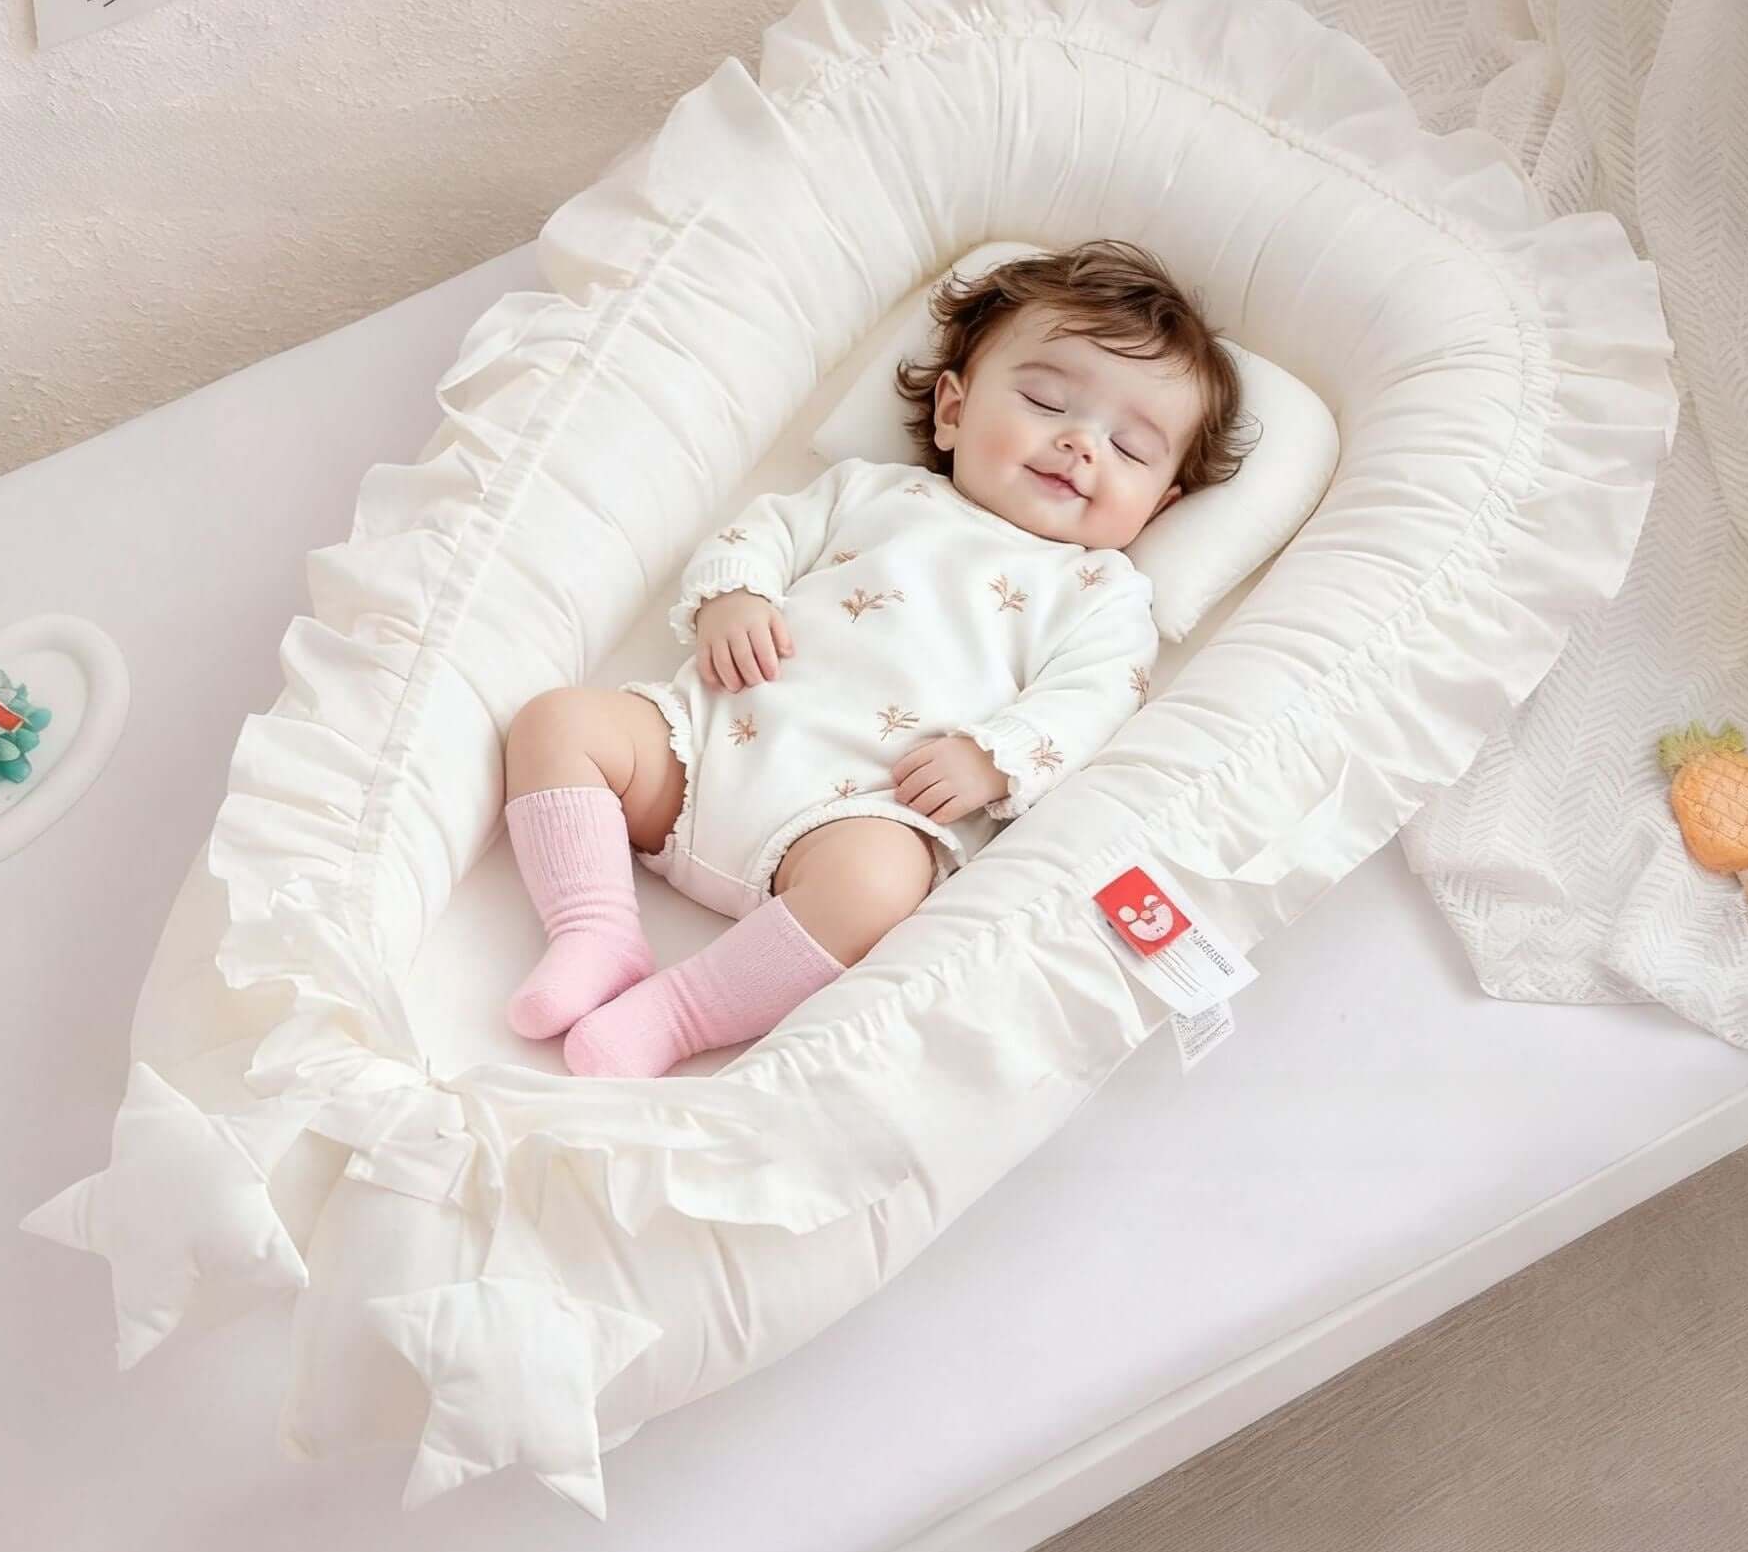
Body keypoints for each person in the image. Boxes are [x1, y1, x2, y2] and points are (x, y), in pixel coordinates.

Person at [500, 239, 1253, 1077]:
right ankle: (593, 929)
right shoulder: (873, 491)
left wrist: (994, 759)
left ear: (1161, 505)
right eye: (1047, 401)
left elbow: (1098, 699)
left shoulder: (1101, 594)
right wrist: (734, 596)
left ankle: (680, 1014)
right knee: (558, 722)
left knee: (877, 891)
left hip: (856, 814)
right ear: (953, 411)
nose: (1082, 444)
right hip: (705, 741)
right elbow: (762, 532)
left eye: (1132, 449)